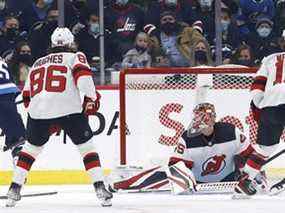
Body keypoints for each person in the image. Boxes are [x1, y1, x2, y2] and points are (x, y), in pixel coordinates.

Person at [5, 27, 112, 207]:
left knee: (30, 150)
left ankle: (14, 189)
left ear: (52, 44)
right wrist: (91, 98)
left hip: (38, 111)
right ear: (71, 43)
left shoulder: (38, 62)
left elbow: (26, 96)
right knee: (86, 147)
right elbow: (84, 80)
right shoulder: (75, 56)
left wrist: (42, 112)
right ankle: (100, 187)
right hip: (69, 109)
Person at [110, 103, 267, 193]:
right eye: (197, 117)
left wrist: (254, 177)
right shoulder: (187, 137)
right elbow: (174, 166)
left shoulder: (231, 131)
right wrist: (186, 181)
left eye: (204, 117)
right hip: (196, 183)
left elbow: (251, 155)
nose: (200, 120)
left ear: (212, 118)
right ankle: (120, 184)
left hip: (228, 182)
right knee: (161, 173)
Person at [235, 47, 285, 196]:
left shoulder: (270, 58)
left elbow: (256, 89)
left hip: (269, 106)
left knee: (265, 148)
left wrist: (261, 107)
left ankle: (245, 181)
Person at [0, 57, 26, 162]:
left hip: (5, 91)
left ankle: (18, 145)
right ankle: (18, 147)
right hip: (7, 91)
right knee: (16, 134)